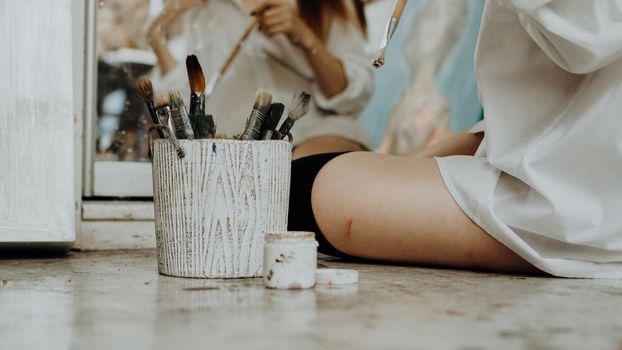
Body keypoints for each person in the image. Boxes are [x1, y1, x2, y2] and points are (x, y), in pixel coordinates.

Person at [289, 0, 622, 278]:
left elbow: (590, 34)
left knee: (306, 191)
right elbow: (545, 116)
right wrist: (402, 170)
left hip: (576, 210)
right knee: (300, 183)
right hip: (568, 174)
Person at [147, 0, 372, 158]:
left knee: (303, 179)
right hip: (231, 150)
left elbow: (353, 96)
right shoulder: (201, 9)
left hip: (316, 133)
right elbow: (186, 100)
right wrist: (157, 39)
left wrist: (303, 35)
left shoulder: (324, 5)